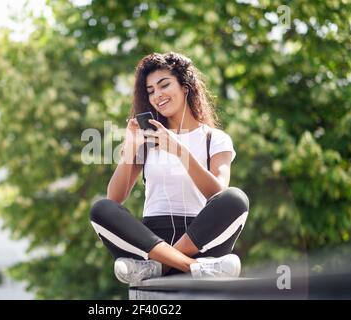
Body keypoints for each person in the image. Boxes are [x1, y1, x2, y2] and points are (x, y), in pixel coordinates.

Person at [89, 52, 249, 284]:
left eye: (164, 85)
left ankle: (159, 268)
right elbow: (115, 197)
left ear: (186, 86)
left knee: (235, 198)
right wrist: (132, 147)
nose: (157, 95)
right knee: (101, 209)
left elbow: (217, 194)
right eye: (151, 90)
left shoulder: (215, 138)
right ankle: (191, 267)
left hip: (199, 240)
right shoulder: (147, 140)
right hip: (152, 244)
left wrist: (180, 151)